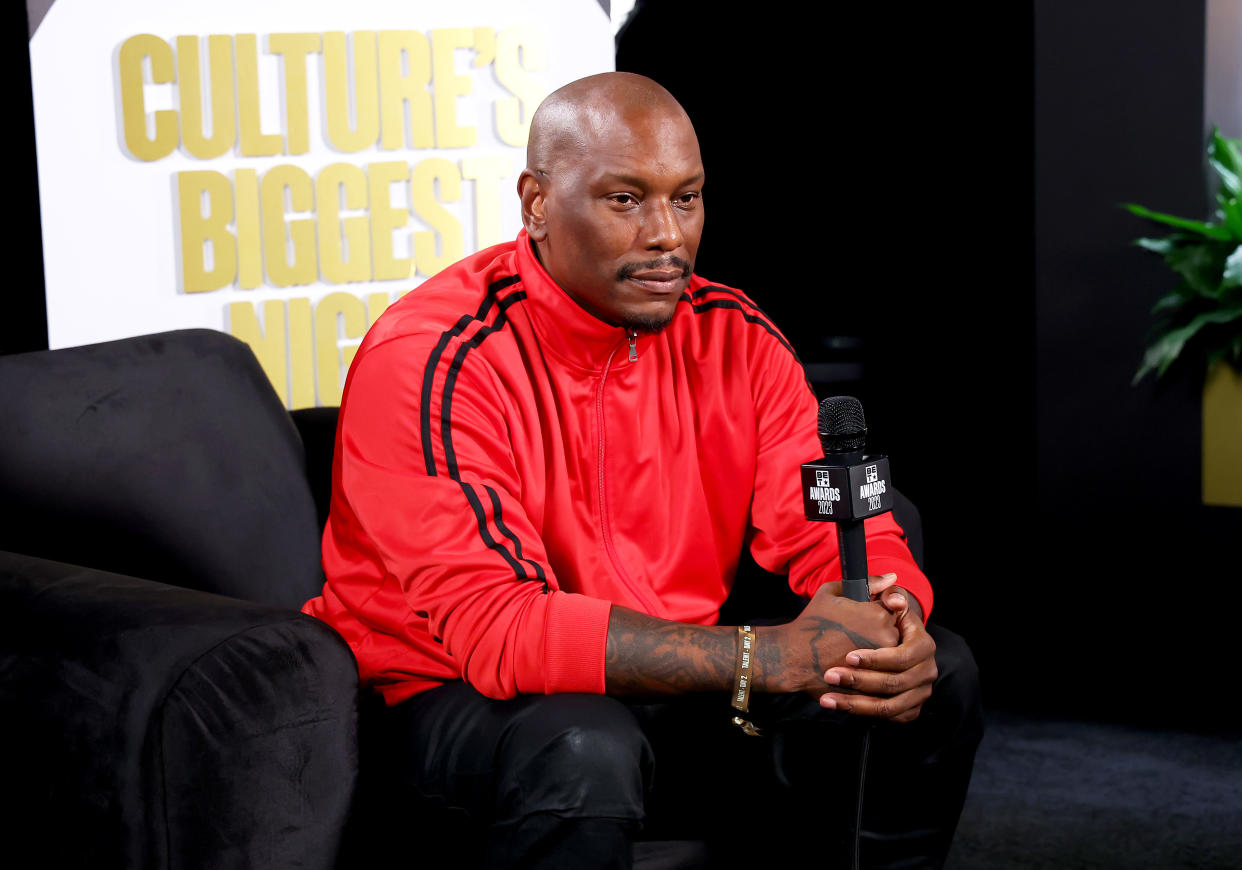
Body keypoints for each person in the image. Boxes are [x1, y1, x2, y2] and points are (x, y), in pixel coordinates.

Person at [303, 72, 981, 869]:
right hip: (446, 702)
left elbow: (834, 524)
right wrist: (765, 657)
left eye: (685, 198)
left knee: (937, 677)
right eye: (626, 200)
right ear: (537, 204)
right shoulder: (433, 358)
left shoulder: (735, 337)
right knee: (584, 744)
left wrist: (891, 621)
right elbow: (498, 630)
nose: (667, 236)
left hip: (677, 682)